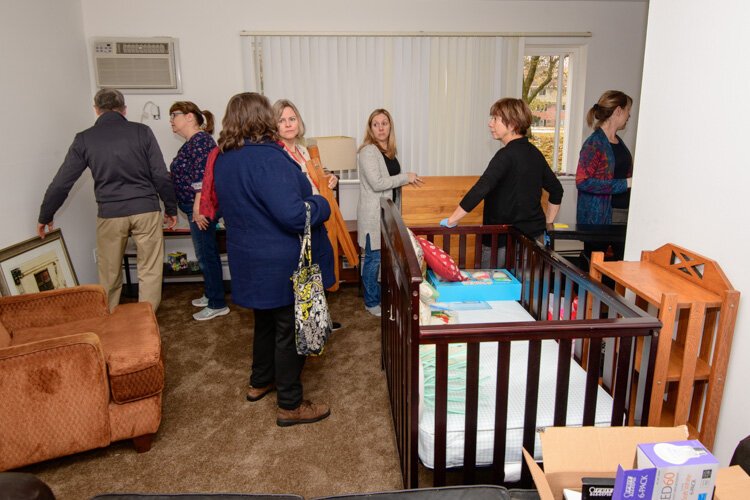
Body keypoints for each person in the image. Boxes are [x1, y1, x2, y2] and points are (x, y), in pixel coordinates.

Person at [213, 92, 333, 426]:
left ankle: (259, 380)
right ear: (262, 117)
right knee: (287, 331)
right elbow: (295, 216)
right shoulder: (269, 158)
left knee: (264, 323)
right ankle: (290, 405)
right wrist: (320, 203)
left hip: (246, 258)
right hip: (278, 260)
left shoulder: (224, 158)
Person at [37, 88, 177, 312]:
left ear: (96, 110)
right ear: (124, 109)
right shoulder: (142, 132)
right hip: (145, 209)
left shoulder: (84, 139)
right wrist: (171, 208)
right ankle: (146, 322)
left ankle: (110, 319)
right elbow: (160, 175)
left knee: (109, 272)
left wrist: (46, 215)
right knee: (149, 270)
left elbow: (63, 182)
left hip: (110, 214)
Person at [441, 98, 563, 267]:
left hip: (502, 244)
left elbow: (481, 188)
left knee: (495, 293)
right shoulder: (535, 153)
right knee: (525, 292)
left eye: (495, 119)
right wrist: (546, 224)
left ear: (512, 124)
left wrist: (452, 220)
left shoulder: (505, 156)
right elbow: (557, 190)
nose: (490, 124)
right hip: (533, 240)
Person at [273, 99, 342, 331]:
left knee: (321, 271)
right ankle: (305, 326)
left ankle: (318, 320)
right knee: (303, 278)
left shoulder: (303, 150)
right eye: (282, 120)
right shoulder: (276, 154)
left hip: (316, 219)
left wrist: (330, 179)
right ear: (274, 124)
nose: (288, 124)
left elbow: (318, 177)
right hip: (297, 224)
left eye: (292, 119)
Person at [357, 108, 423, 317]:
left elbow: (392, 186)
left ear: (390, 126)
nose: (380, 127)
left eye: (384, 123)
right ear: (370, 128)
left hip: (387, 213)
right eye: (375, 124)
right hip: (373, 215)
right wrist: (406, 176)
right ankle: (371, 301)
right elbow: (377, 184)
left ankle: (380, 295)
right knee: (373, 259)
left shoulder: (389, 152)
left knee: (384, 258)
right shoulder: (368, 151)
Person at [168, 101, 228, 321]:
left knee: (206, 254)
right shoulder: (193, 142)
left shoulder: (200, 141)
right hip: (196, 206)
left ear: (190, 117)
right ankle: (211, 294)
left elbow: (203, 178)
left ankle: (218, 303)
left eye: (174, 115)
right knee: (205, 252)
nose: (171, 120)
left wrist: (198, 208)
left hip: (200, 208)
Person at [576, 90, 633, 261]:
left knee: (619, 265)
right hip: (599, 218)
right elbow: (583, 181)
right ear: (618, 111)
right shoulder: (594, 143)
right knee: (596, 267)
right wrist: (625, 183)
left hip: (621, 213)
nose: (629, 115)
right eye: (627, 110)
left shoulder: (617, 141)